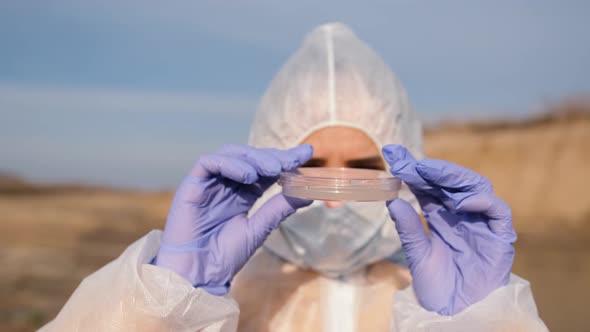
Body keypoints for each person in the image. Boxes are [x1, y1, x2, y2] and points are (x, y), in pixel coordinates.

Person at [40, 23, 548, 331]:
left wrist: (481, 322)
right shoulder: (219, 300)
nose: (333, 200)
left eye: (363, 170)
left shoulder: (431, 297)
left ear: (402, 169)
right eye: (310, 170)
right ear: (272, 169)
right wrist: (163, 304)